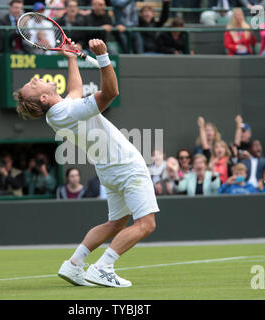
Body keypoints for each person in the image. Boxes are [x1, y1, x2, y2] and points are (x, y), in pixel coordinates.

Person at [14, 38, 159, 287]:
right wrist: (103, 57)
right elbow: (111, 92)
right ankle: (103, 267)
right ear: (44, 99)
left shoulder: (57, 114)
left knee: (116, 222)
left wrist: (72, 59)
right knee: (146, 224)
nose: (35, 79)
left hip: (108, 170)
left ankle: (73, 265)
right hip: (125, 166)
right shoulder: (67, 112)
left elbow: (74, 93)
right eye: (32, 84)